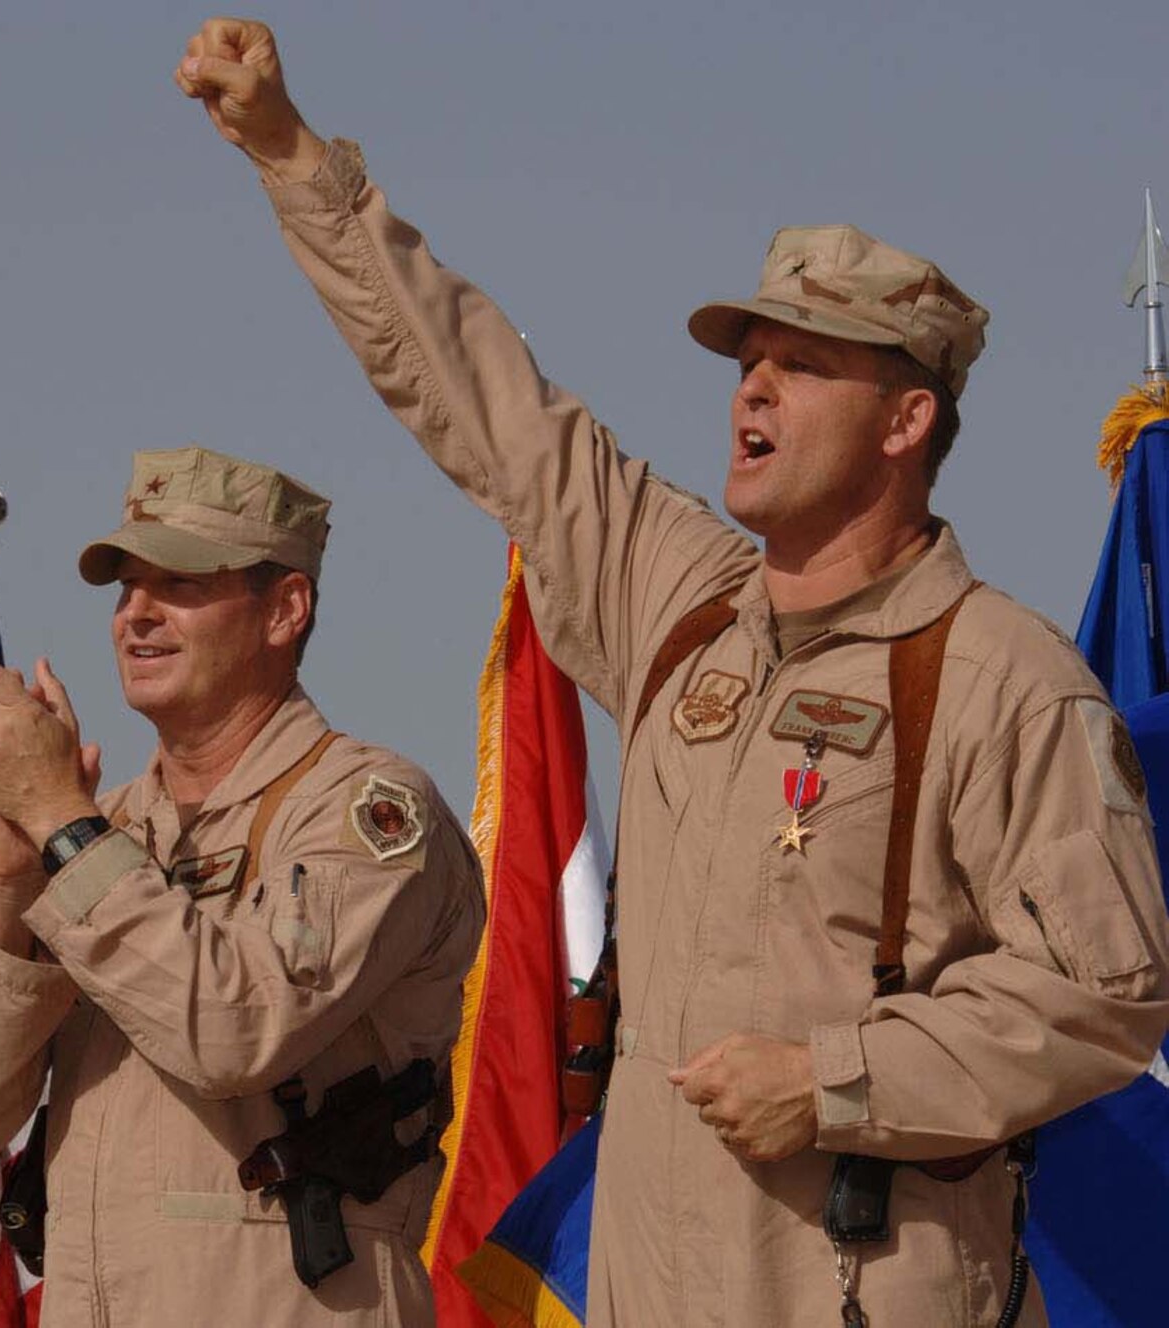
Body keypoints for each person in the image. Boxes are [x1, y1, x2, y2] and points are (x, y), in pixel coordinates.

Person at [175, 18, 1169, 1327]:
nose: (752, 389)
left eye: (802, 365)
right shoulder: (681, 602)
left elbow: (1108, 994)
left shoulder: (1001, 679)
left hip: (864, 1287)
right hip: (652, 1280)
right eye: (747, 361)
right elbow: (482, 398)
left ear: (907, 420)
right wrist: (298, 160)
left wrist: (839, 1078)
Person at [0, 446, 486, 1325]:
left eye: (178, 583)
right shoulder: (103, 831)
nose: (136, 616)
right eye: (124, 588)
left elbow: (234, 1033)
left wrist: (62, 819)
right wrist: (15, 876)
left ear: (285, 609)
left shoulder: (367, 807)